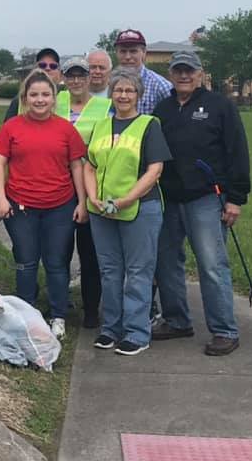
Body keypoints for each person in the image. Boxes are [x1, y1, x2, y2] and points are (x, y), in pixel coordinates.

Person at [152, 50, 251, 356]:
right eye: (178, 70)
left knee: (211, 265)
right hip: (169, 197)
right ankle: (177, 320)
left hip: (207, 197)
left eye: (189, 70)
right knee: (166, 262)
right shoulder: (163, 109)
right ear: (171, 74)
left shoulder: (220, 106)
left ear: (200, 74)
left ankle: (224, 330)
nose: (184, 75)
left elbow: (237, 151)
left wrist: (236, 198)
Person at [0, 69, 88, 340]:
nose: (40, 99)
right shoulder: (12, 127)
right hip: (21, 207)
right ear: (25, 98)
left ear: (54, 98)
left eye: (45, 94)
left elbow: (76, 165)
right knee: (26, 261)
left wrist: (81, 201)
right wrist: (0, 197)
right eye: (34, 94)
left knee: (57, 263)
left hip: (60, 205)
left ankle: (58, 315)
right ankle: (27, 312)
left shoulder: (65, 128)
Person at [84, 68, 171, 355]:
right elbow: (90, 164)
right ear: (111, 93)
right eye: (118, 90)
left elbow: (155, 169)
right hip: (101, 209)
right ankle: (111, 328)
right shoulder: (101, 126)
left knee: (138, 271)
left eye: (129, 91)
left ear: (138, 95)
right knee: (110, 270)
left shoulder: (149, 125)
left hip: (140, 208)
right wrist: (93, 196)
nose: (123, 95)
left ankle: (136, 332)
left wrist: (127, 199)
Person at [55, 56, 113, 328]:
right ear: (64, 78)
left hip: (91, 185)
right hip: (58, 186)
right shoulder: (55, 102)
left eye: (81, 75)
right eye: (71, 75)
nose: (76, 81)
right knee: (60, 251)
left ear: (90, 77)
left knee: (90, 252)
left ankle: (91, 308)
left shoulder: (105, 107)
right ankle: (60, 303)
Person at [113, 29, 172, 115]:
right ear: (116, 53)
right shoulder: (110, 83)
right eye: (123, 51)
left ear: (144, 53)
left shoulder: (161, 86)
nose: (128, 56)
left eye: (133, 51)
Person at [4, 48, 62, 121]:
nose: (47, 68)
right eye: (42, 65)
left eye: (53, 66)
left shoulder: (69, 98)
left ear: (59, 72)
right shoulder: (18, 101)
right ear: (35, 69)